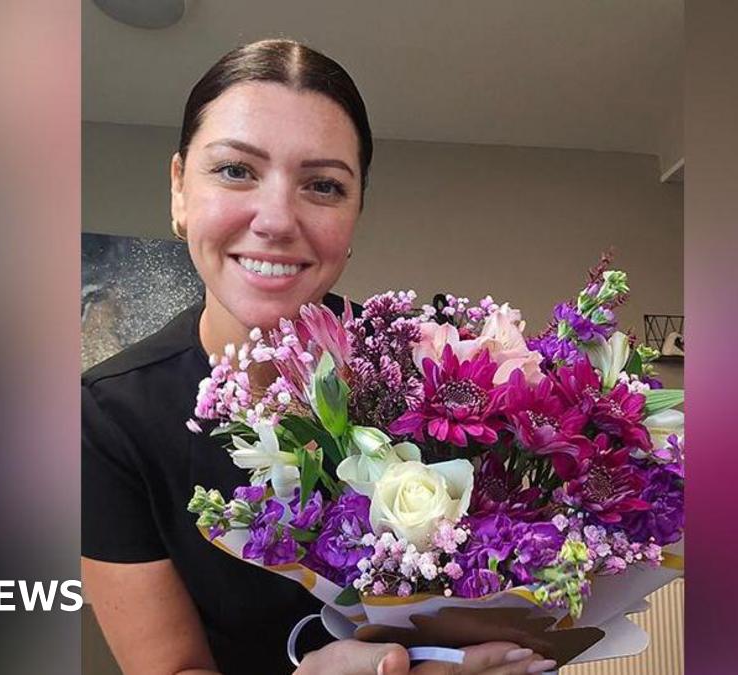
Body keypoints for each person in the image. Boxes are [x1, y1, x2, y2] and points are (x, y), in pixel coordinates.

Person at [82, 39, 557, 675]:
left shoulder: (434, 372)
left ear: (356, 212)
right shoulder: (107, 417)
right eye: (235, 170)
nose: (276, 219)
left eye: (324, 185)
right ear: (178, 189)